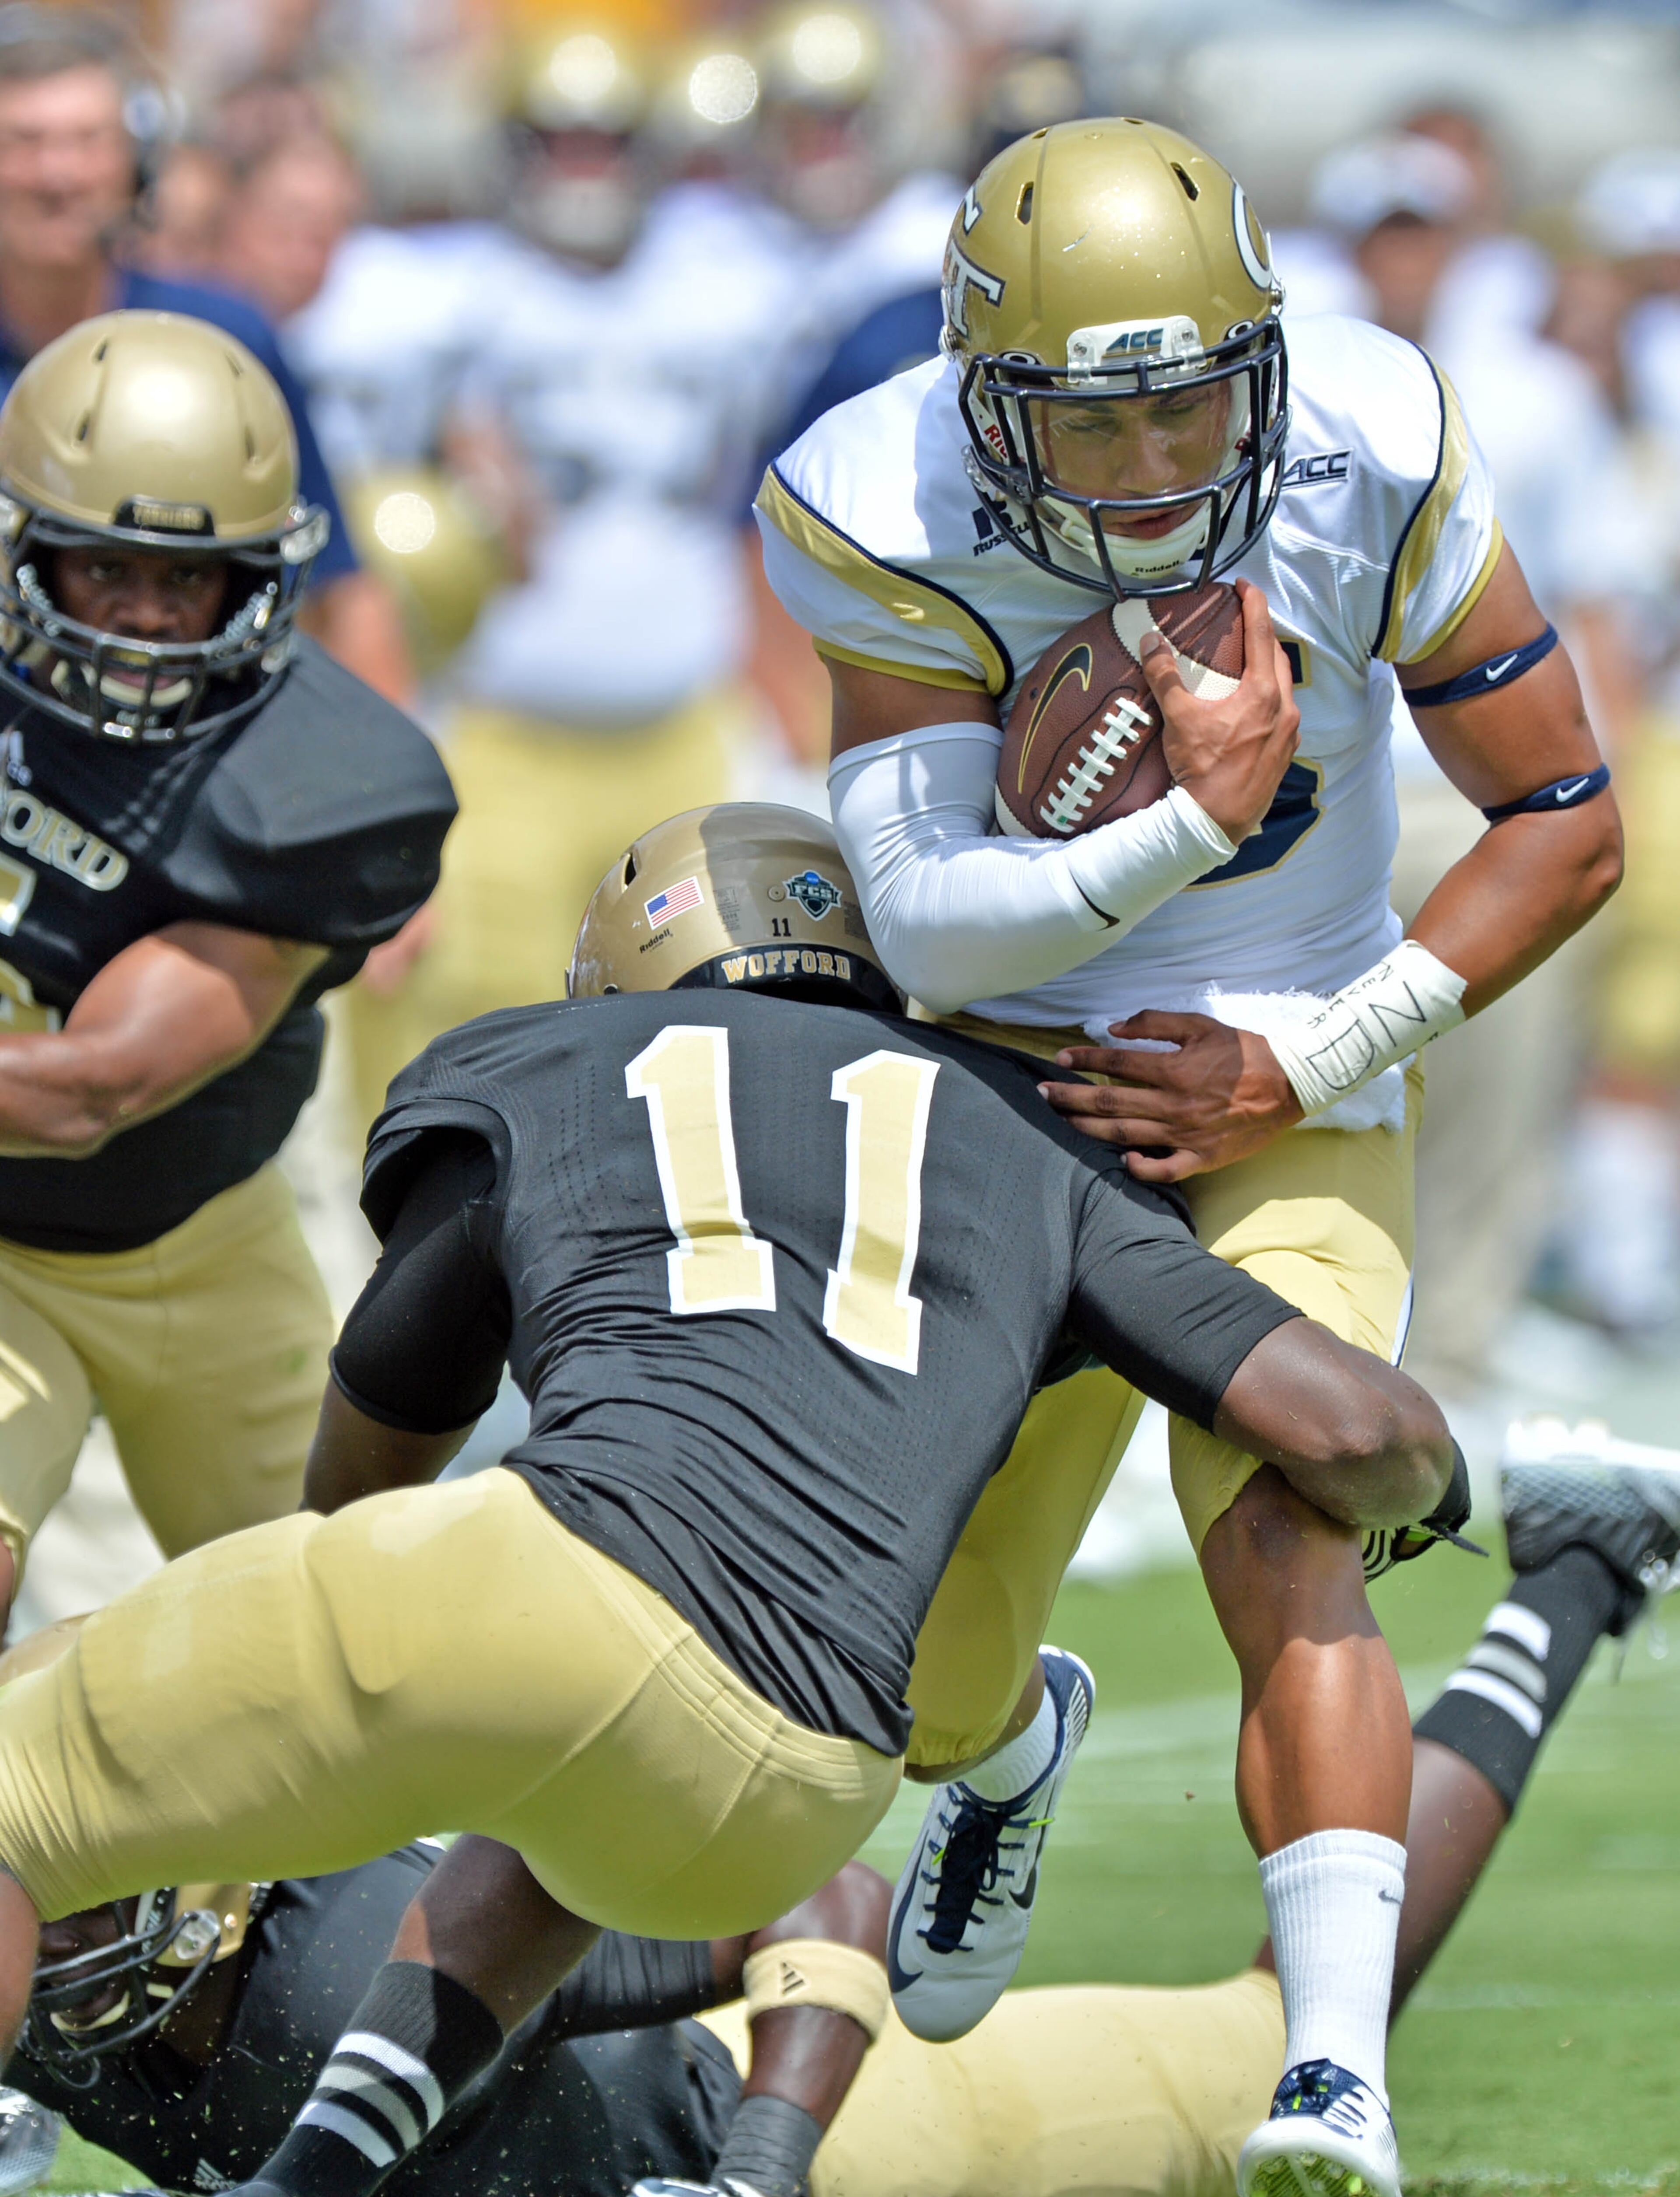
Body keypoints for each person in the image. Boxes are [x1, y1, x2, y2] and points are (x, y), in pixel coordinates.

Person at [0, 801, 1451, 2197]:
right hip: (806, 1784)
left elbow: (372, 1452)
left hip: (548, 1596)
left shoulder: (541, 1060)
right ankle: (307, 2181)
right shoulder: (1033, 1137)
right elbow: (1351, 1425)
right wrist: (1432, 1483)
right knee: (567, 1774)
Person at [755, 118, 1622, 2195]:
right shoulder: (874, 491)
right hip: (1003, 1079)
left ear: (1266, 355)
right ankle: (1011, 1744)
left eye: (1188, 405)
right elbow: (935, 914)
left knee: (1287, 1514)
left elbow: (1566, 817)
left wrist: (1302, 1058)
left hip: (1294, 1059)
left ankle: (1332, 2077)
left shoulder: (1377, 431)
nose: (1150, 469)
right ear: (984, 401)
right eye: (1094, 420)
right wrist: (1178, 822)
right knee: (921, 1670)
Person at [3, 1428, 1667, 2197]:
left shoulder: (363, 1943)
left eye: (77, 1887)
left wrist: (759, 2173)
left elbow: (834, 1909)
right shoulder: (46, 2010)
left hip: (806, 2122)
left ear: (198, 1880)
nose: (51, 1922)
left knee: (1263, 2040)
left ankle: (1571, 1574)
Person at [0, 307, 455, 1632]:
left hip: (203, 1237)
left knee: (323, 1637)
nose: (145, 617)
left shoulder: (316, 784)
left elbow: (93, 1090)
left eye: (186, 581)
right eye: (103, 569)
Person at [0, 5, 410, 700]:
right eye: (26, 141)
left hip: (190, 763)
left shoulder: (222, 342)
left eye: (86, 140)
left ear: (140, 164)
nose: (57, 174)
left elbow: (341, 584)